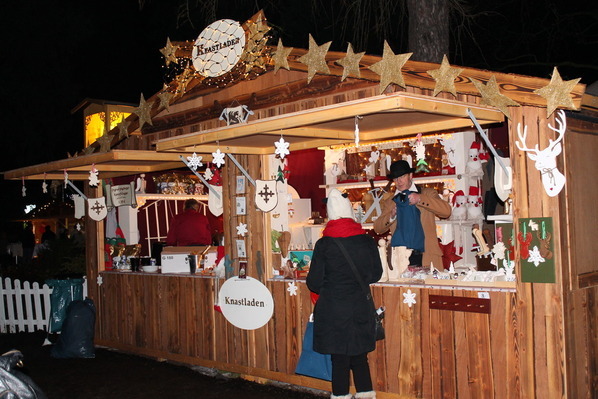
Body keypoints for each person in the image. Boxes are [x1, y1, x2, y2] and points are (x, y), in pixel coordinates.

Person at [307, 189, 382, 399]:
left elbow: (313, 282)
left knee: (339, 359)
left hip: (333, 310)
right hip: (359, 307)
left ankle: (340, 396)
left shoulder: (324, 244)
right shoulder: (366, 240)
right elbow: (375, 274)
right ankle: (366, 394)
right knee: (359, 357)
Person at [374, 160, 451, 270]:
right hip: (401, 258)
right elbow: (378, 228)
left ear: (410, 175)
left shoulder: (427, 194)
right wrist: (391, 215)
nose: (399, 181)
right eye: (395, 178)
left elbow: (447, 211)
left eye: (402, 176)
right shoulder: (390, 202)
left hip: (427, 255)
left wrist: (420, 199)